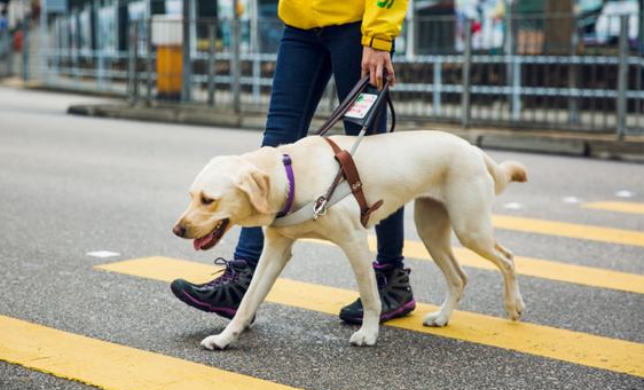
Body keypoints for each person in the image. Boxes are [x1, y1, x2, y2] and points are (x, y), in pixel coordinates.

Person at [171, 0, 415, 324]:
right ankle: (242, 278)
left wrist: (379, 37)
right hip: (299, 26)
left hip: (358, 29)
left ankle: (391, 276)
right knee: (271, 151)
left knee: (370, 158)